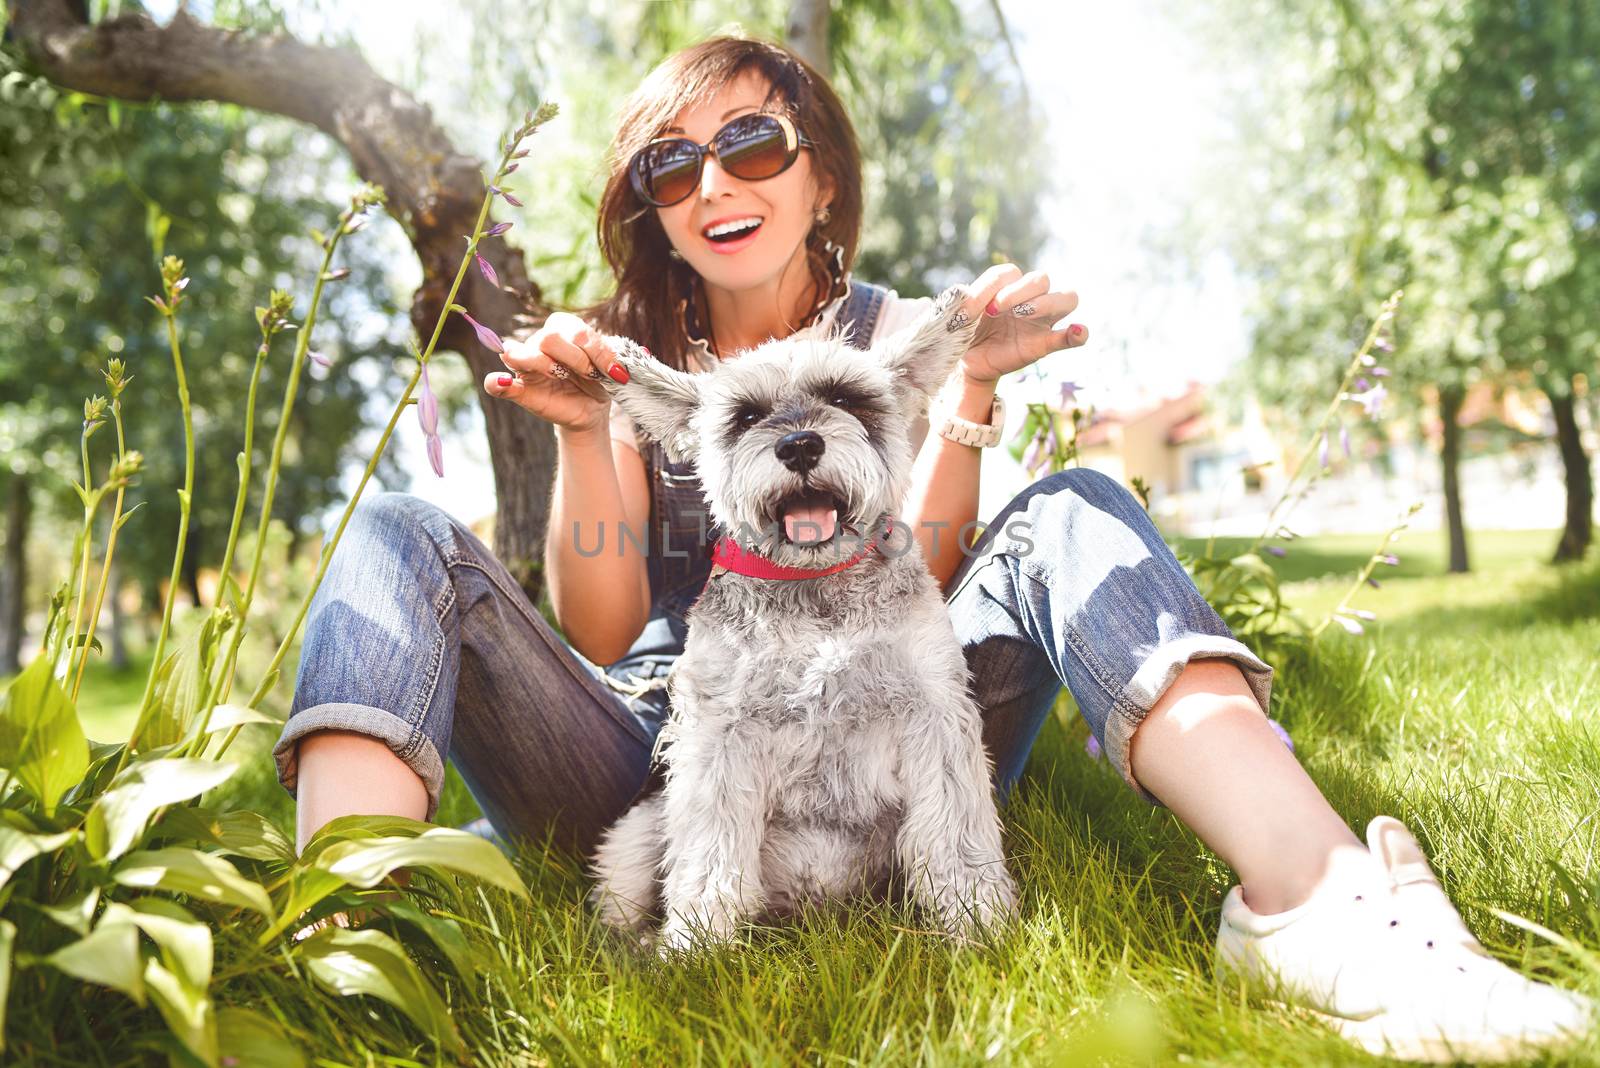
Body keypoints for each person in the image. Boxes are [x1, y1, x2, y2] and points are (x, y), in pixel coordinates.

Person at [271, 34, 1593, 1063]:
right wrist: (580, 434)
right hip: (656, 760)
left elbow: (938, 581)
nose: (716, 180)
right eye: (674, 168)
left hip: (889, 726)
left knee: (1070, 505)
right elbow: (609, 636)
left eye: (749, 141)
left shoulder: (896, 329)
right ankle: (332, 958)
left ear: (822, 174)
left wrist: (966, 402)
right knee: (397, 529)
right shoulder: (627, 360)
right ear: (655, 212)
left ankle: (1320, 908)